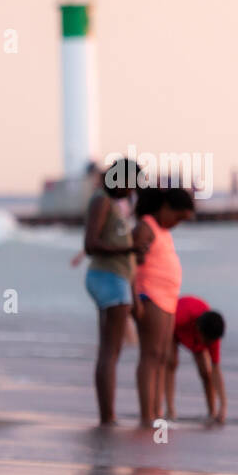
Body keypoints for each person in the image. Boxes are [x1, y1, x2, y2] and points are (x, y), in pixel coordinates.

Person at [132, 185, 196, 428]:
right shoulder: (146, 225)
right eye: (178, 217)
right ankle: (147, 414)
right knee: (150, 355)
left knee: (162, 356)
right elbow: (132, 264)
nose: (177, 223)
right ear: (165, 207)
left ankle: (156, 410)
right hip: (150, 296)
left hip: (167, 298)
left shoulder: (162, 230)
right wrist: (135, 300)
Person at [82, 164, 138, 426]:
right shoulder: (102, 200)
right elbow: (90, 244)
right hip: (109, 277)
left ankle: (108, 414)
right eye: (130, 183)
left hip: (113, 277)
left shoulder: (107, 201)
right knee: (109, 352)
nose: (131, 190)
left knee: (111, 350)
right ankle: (107, 416)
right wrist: (128, 249)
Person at [165, 296, 226, 425]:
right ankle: (170, 410)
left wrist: (224, 406)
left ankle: (212, 412)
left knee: (206, 372)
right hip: (172, 329)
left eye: (211, 342)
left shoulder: (212, 334)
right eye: (208, 341)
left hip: (196, 337)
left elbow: (216, 370)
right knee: (171, 363)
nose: (210, 344)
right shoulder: (182, 316)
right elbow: (164, 326)